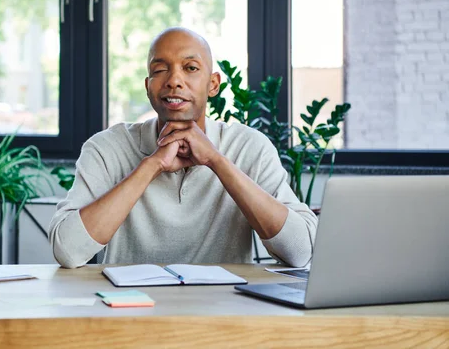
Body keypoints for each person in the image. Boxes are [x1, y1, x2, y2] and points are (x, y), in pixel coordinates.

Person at [48, 27, 318, 268]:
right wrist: (152, 165)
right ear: (148, 85)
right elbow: (68, 251)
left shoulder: (250, 146)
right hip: (129, 310)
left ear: (213, 85)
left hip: (224, 311)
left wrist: (216, 161)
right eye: (160, 69)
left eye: (190, 68)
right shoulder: (106, 148)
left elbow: (300, 251)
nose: (174, 80)